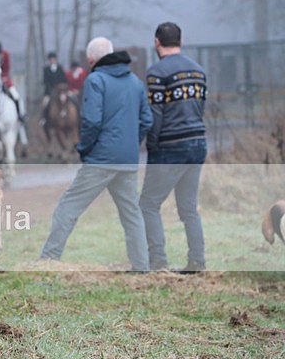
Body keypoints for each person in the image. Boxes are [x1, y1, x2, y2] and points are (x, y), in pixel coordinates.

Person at [40, 37, 153, 271]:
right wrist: (131, 144)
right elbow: (147, 120)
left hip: (101, 160)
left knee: (67, 208)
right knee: (132, 215)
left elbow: (91, 121)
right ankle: (142, 268)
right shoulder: (135, 81)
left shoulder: (95, 80)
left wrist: (85, 148)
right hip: (128, 160)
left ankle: (48, 261)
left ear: (91, 60)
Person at [139, 22, 208, 273]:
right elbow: (200, 108)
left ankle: (158, 263)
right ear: (180, 41)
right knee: (189, 207)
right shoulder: (199, 71)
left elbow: (156, 113)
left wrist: (152, 144)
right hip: (198, 143)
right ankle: (197, 262)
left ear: (157, 42)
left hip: (170, 146)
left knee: (148, 204)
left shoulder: (156, 73)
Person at [41, 51, 69, 126]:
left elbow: (64, 79)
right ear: (49, 60)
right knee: (45, 103)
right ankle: (44, 118)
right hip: (49, 91)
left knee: (70, 99)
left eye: (53, 59)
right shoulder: (46, 69)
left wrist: (61, 86)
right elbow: (45, 81)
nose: (52, 60)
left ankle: (76, 116)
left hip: (60, 90)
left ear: (56, 59)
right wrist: (51, 88)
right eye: (51, 59)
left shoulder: (60, 68)